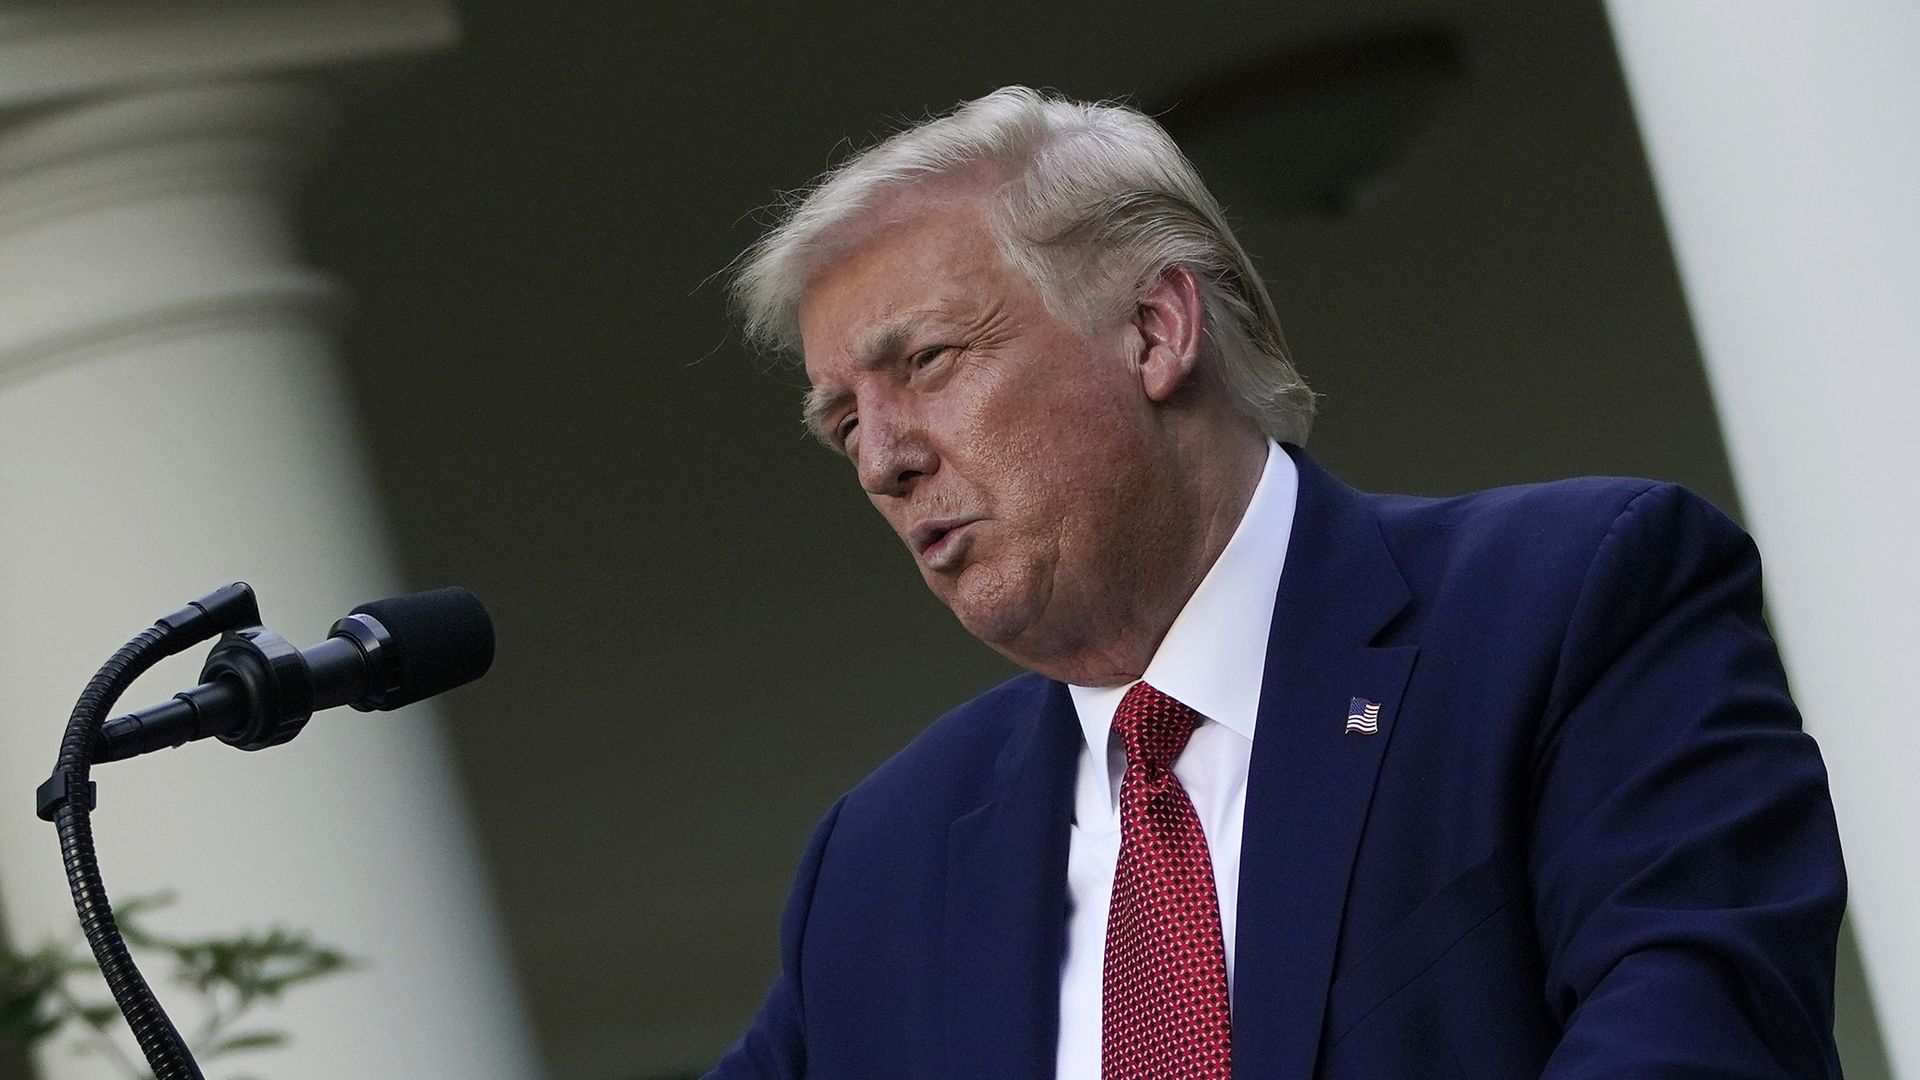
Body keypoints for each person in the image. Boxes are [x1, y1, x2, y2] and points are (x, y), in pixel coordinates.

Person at [712, 86, 1845, 1079]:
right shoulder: (880, 865)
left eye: (928, 363)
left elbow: (1702, 1029)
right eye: (842, 421)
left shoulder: (1571, 608)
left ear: (1156, 332)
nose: (882, 459)